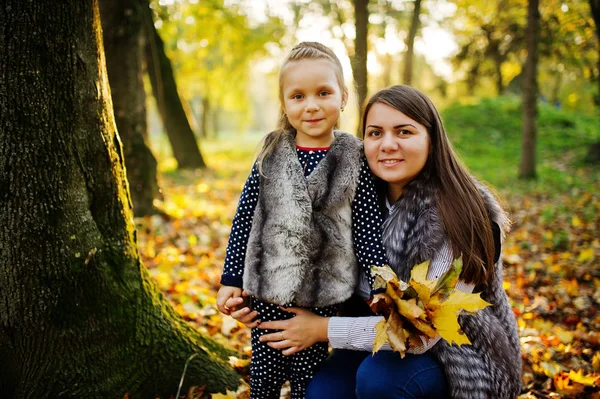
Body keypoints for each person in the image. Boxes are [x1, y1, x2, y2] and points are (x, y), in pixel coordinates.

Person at [230, 85, 522, 398]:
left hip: (454, 355)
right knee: (323, 392)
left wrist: (320, 329)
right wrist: (261, 299)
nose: (388, 144)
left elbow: (420, 332)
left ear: (432, 139)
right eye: (375, 133)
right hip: (368, 338)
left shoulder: (462, 212)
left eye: (404, 132)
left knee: (380, 380)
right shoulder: (354, 198)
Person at [215, 42, 388, 399]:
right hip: (266, 289)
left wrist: (381, 284)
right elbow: (245, 218)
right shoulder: (272, 152)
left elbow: (368, 230)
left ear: (342, 97)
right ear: (285, 104)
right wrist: (231, 278)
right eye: (298, 96)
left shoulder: (354, 157)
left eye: (323, 93)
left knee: (306, 382)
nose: (311, 105)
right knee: (263, 379)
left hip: (320, 295)